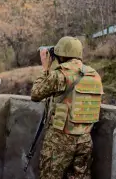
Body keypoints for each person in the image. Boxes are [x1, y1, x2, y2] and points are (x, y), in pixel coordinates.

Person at [31, 36, 103, 179]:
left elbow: (35, 94)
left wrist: (45, 68)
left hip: (60, 139)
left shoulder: (60, 74)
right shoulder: (93, 75)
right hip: (85, 139)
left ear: (61, 54)